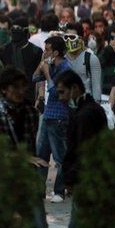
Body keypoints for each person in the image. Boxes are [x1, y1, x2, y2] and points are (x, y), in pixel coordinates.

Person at [0, 67, 50, 228]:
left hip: (28, 179)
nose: (20, 92)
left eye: (22, 87)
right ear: (4, 89)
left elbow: (30, 143)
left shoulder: (31, 113)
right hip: (3, 179)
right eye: (15, 87)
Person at [55, 70, 107, 228]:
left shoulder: (85, 114)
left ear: (74, 88)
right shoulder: (87, 110)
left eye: (63, 92)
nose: (61, 97)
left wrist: (71, 178)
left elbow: (83, 150)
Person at [32, 35, 71, 204]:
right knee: (41, 156)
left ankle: (59, 191)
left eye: (47, 50)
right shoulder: (51, 65)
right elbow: (34, 78)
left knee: (60, 158)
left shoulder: (65, 68)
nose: (45, 52)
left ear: (55, 52)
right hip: (48, 116)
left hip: (59, 118)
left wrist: (47, 73)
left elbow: (58, 93)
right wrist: (41, 66)